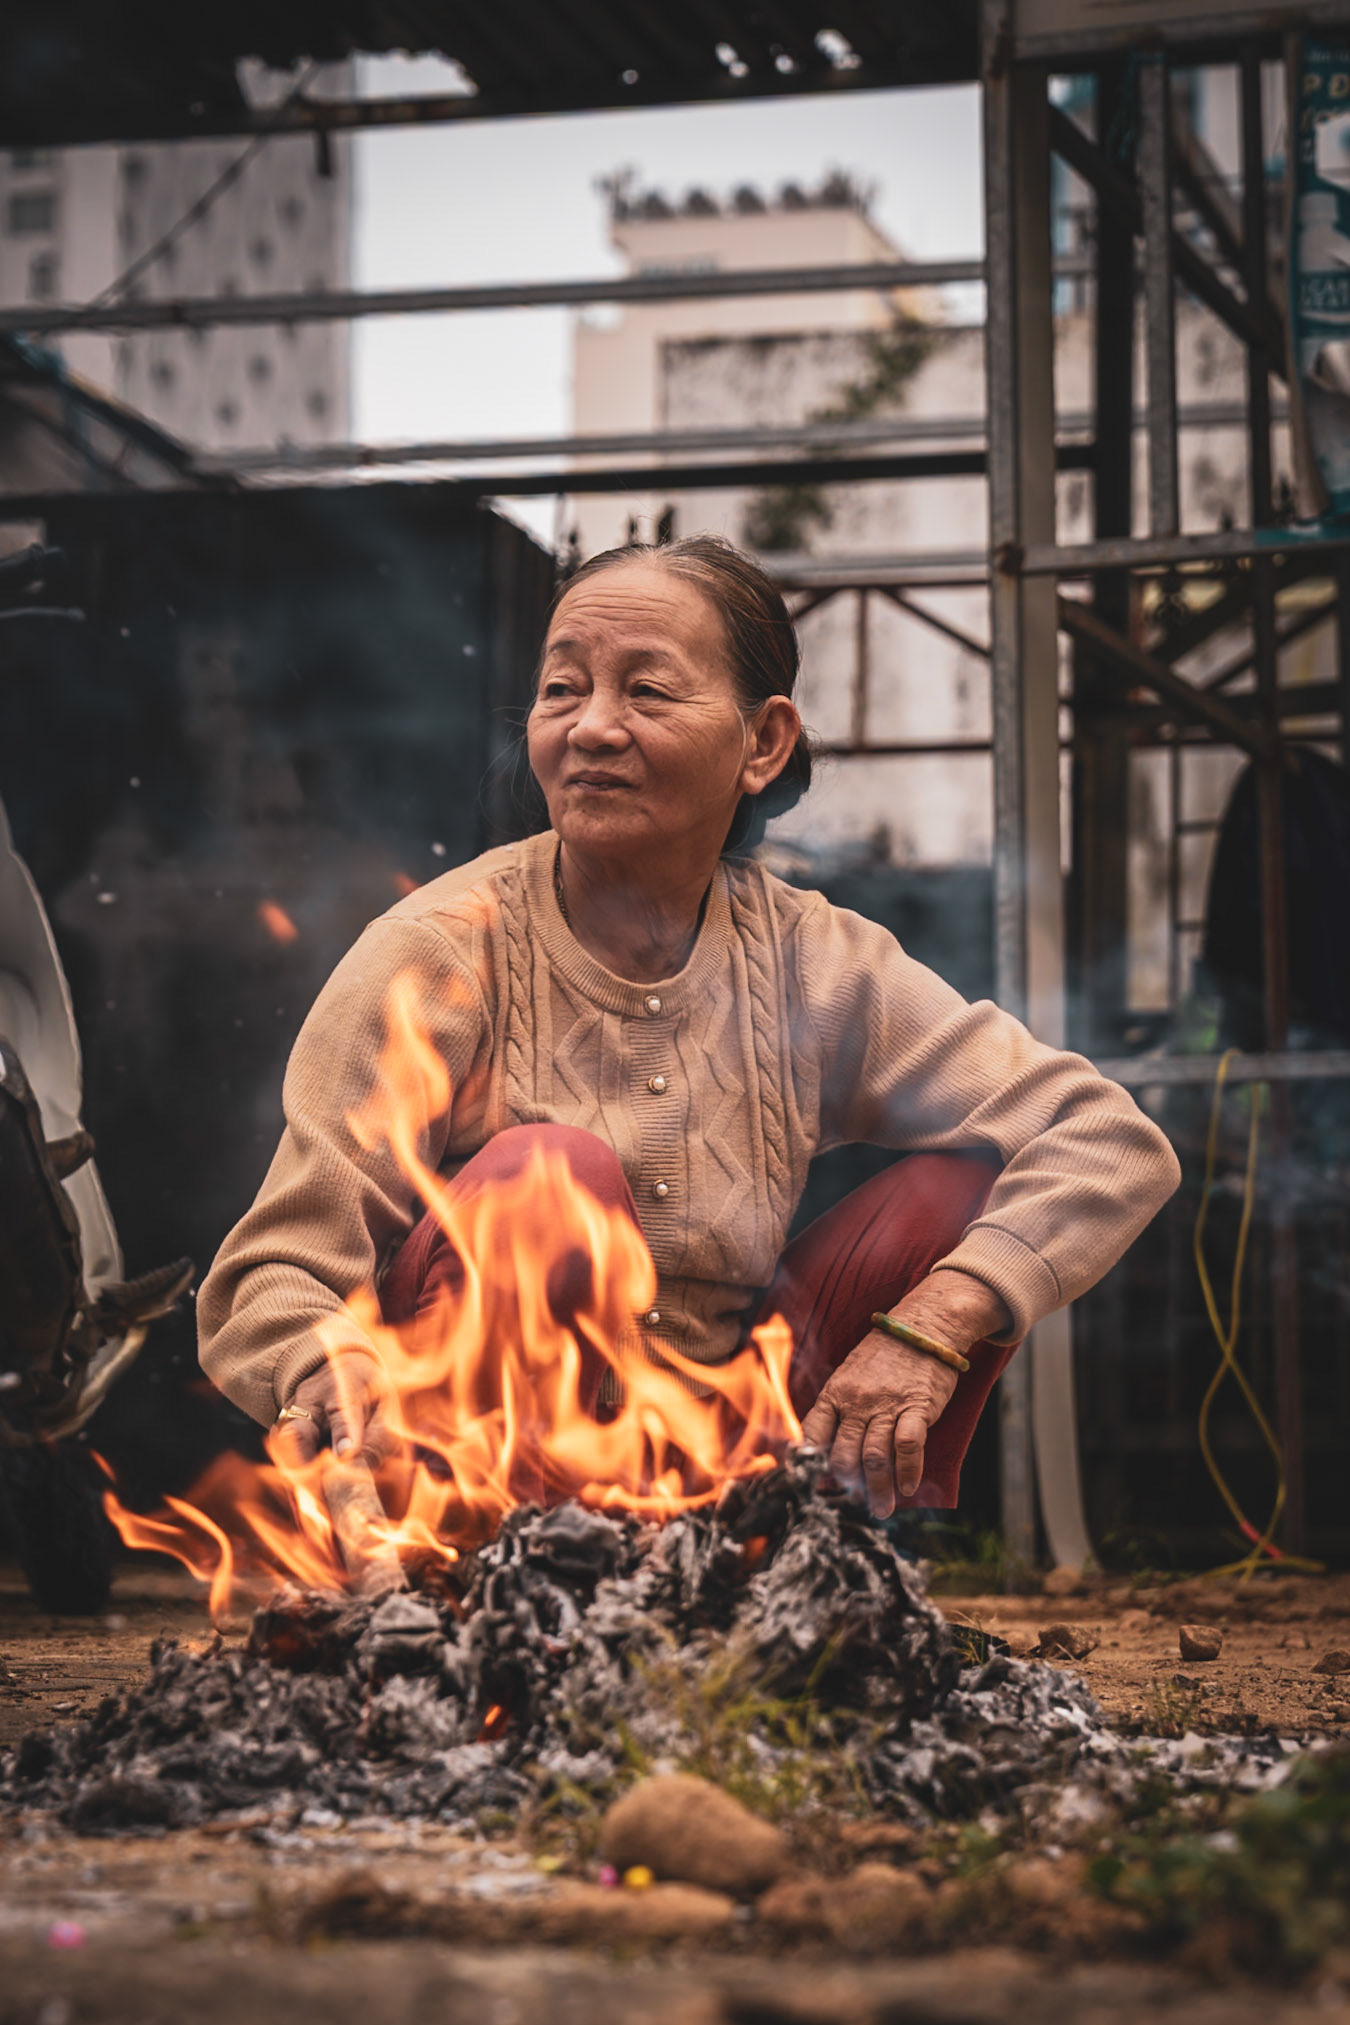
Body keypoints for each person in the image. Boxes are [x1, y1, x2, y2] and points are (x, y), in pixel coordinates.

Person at [198, 535, 1180, 1517]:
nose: (590, 729)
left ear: (762, 743)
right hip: (468, 1478)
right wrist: (318, 1365)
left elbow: (1109, 1143)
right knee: (548, 1178)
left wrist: (938, 1317)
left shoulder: (813, 959)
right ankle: (503, 1573)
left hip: (733, 1465)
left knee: (957, 1192)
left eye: (648, 693)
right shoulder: (439, 952)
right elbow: (276, 1268)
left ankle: (777, 1552)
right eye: (562, 690)